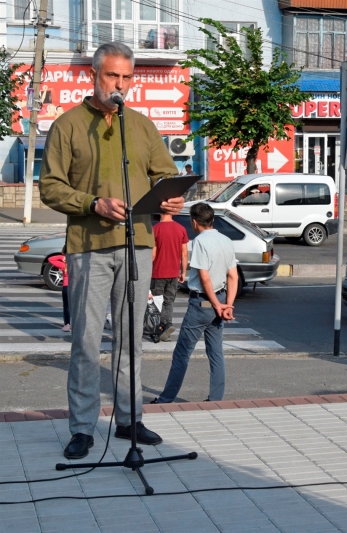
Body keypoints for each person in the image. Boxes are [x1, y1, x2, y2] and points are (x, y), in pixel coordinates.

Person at [39, 42, 183, 460]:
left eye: (126, 78)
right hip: (88, 247)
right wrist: (92, 203)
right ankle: (83, 428)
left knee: (130, 340)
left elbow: (165, 174)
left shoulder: (140, 125)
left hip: (138, 244)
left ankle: (129, 419)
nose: (119, 85)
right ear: (94, 76)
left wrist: (170, 198)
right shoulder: (67, 125)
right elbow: (50, 186)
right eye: (111, 76)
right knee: (86, 341)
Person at [151, 203, 238, 404]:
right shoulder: (226, 240)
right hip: (222, 299)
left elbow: (204, 278)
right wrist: (228, 305)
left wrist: (215, 304)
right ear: (212, 220)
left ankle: (166, 399)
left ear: (193, 222)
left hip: (203, 304)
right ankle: (216, 398)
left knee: (182, 353)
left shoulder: (199, 242)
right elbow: (233, 275)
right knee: (216, 353)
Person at [151, 212, 189, 342]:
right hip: (173, 273)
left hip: (157, 272)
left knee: (156, 302)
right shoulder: (181, 229)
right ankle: (167, 325)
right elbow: (184, 253)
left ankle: (159, 328)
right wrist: (183, 272)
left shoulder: (155, 229)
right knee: (169, 301)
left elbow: (153, 254)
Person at [48, 251, 70, 332]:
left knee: (66, 307)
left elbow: (51, 259)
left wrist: (63, 257)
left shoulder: (64, 265)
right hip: (76, 288)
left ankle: (67, 324)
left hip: (66, 287)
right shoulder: (77, 265)